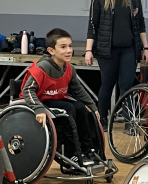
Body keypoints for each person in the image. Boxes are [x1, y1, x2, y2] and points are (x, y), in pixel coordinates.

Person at [21, 28, 100, 167]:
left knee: (81, 108)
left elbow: (78, 90)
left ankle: (88, 150)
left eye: (70, 46)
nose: (69, 50)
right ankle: (72, 154)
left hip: (56, 100)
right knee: (68, 108)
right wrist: (38, 109)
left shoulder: (68, 68)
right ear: (51, 51)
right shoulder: (42, 67)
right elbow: (27, 90)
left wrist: (93, 106)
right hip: (39, 101)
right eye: (63, 47)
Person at [85, 0, 148, 123]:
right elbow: (92, 25)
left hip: (129, 49)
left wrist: (146, 47)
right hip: (107, 50)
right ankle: (103, 120)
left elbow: (140, 23)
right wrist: (88, 50)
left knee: (126, 85)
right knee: (107, 84)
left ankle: (130, 121)